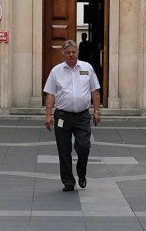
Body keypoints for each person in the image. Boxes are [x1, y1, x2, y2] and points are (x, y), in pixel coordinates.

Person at [43, 39, 102, 192]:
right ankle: (68, 181)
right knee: (64, 149)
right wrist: (48, 115)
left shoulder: (87, 68)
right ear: (63, 53)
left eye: (74, 52)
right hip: (63, 116)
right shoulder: (56, 71)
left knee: (83, 147)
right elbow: (50, 94)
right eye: (68, 52)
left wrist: (96, 111)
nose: (71, 55)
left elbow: (95, 91)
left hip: (82, 116)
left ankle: (81, 173)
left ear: (78, 53)